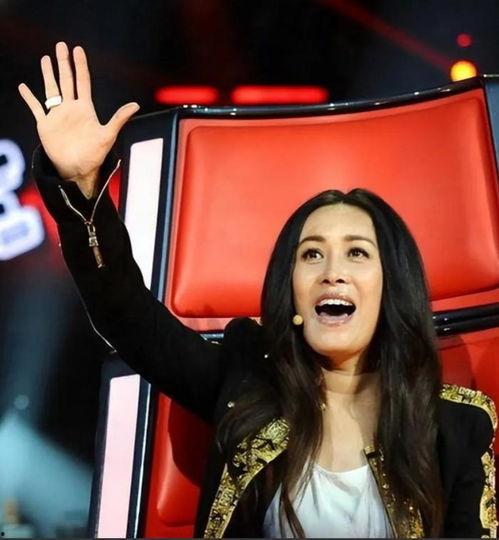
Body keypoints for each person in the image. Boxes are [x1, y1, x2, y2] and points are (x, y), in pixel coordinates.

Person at [19, 42, 497, 538]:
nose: (332, 272)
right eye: (311, 254)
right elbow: (124, 315)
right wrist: (81, 188)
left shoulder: (456, 425)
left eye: (357, 253)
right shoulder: (246, 379)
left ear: (392, 286)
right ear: (291, 292)